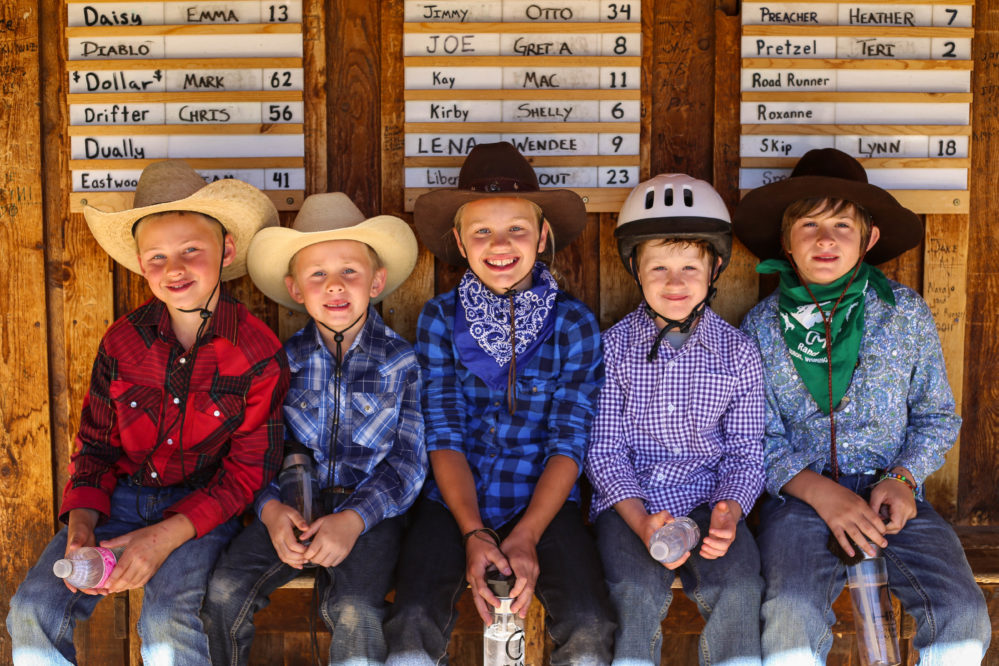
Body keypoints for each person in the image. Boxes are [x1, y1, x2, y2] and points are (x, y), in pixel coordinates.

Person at [6, 160, 290, 665]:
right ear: (139, 263)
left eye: (190, 251)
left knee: (166, 626)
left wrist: (162, 539)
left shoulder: (256, 351)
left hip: (201, 513)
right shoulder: (123, 340)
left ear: (226, 251)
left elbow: (248, 473)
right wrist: (81, 529)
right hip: (118, 501)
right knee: (31, 610)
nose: (174, 269)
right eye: (156, 256)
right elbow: (95, 446)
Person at [735, 148, 991, 665]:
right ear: (786, 241)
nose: (825, 239)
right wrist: (821, 494)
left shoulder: (905, 314)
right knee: (789, 612)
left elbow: (936, 415)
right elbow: (753, 434)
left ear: (869, 239)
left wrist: (903, 477)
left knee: (962, 614)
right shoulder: (760, 327)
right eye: (808, 224)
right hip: (801, 502)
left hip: (892, 496)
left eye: (842, 225)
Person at [383, 142, 615, 665]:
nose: (500, 243)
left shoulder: (573, 324)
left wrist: (528, 534)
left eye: (517, 229)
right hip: (453, 503)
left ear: (543, 236)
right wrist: (473, 532)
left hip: (544, 505)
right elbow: (442, 432)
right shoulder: (440, 318)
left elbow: (569, 440)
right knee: (413, 614)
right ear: (461, 245)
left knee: (590, 620)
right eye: (481, 231)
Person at [202, 192, 426, 665]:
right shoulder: (281, 362)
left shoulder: (401, 361)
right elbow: (256, 451)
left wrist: (353, 519)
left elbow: (407, 462)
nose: (335, 286)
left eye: (350, 271)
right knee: (223, 592)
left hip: (369, 514)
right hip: (291, 509)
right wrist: (269, 511)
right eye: (317, 274)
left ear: (377, 281)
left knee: (357, 608)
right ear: (296, 289)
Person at [586, 174, 765, 665]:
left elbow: (746, 450)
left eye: (690, 266)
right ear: (634, 270)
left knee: (742, 586)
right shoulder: (613, 350)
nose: (675, 281)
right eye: (659, 267)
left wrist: (730, 508)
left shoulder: (739, 354)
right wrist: (640, 519)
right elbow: (604, 451)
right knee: (630, 589)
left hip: (710, 500)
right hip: (631, 504)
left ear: (715, 270)